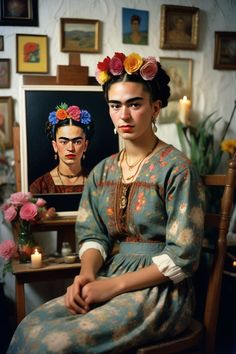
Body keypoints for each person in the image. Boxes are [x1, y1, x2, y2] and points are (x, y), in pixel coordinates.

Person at [7, 52, 205, 353]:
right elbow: (93, 233)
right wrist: (86, 275)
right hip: (108, 273)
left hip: (161, 292)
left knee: (55, 344)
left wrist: (111, 286)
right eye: (115, 105)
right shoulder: (102, 171)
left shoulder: (177, 168)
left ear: (155, 108)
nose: (123, 115)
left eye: (134, 104)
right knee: (28, 328)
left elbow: (183, 257)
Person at [29, 102, 94, 194]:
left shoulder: (97, 182)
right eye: (64, 142)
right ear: (55, 146)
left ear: (85, 145)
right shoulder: (40, 187)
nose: (70, 148)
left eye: (77, 142)